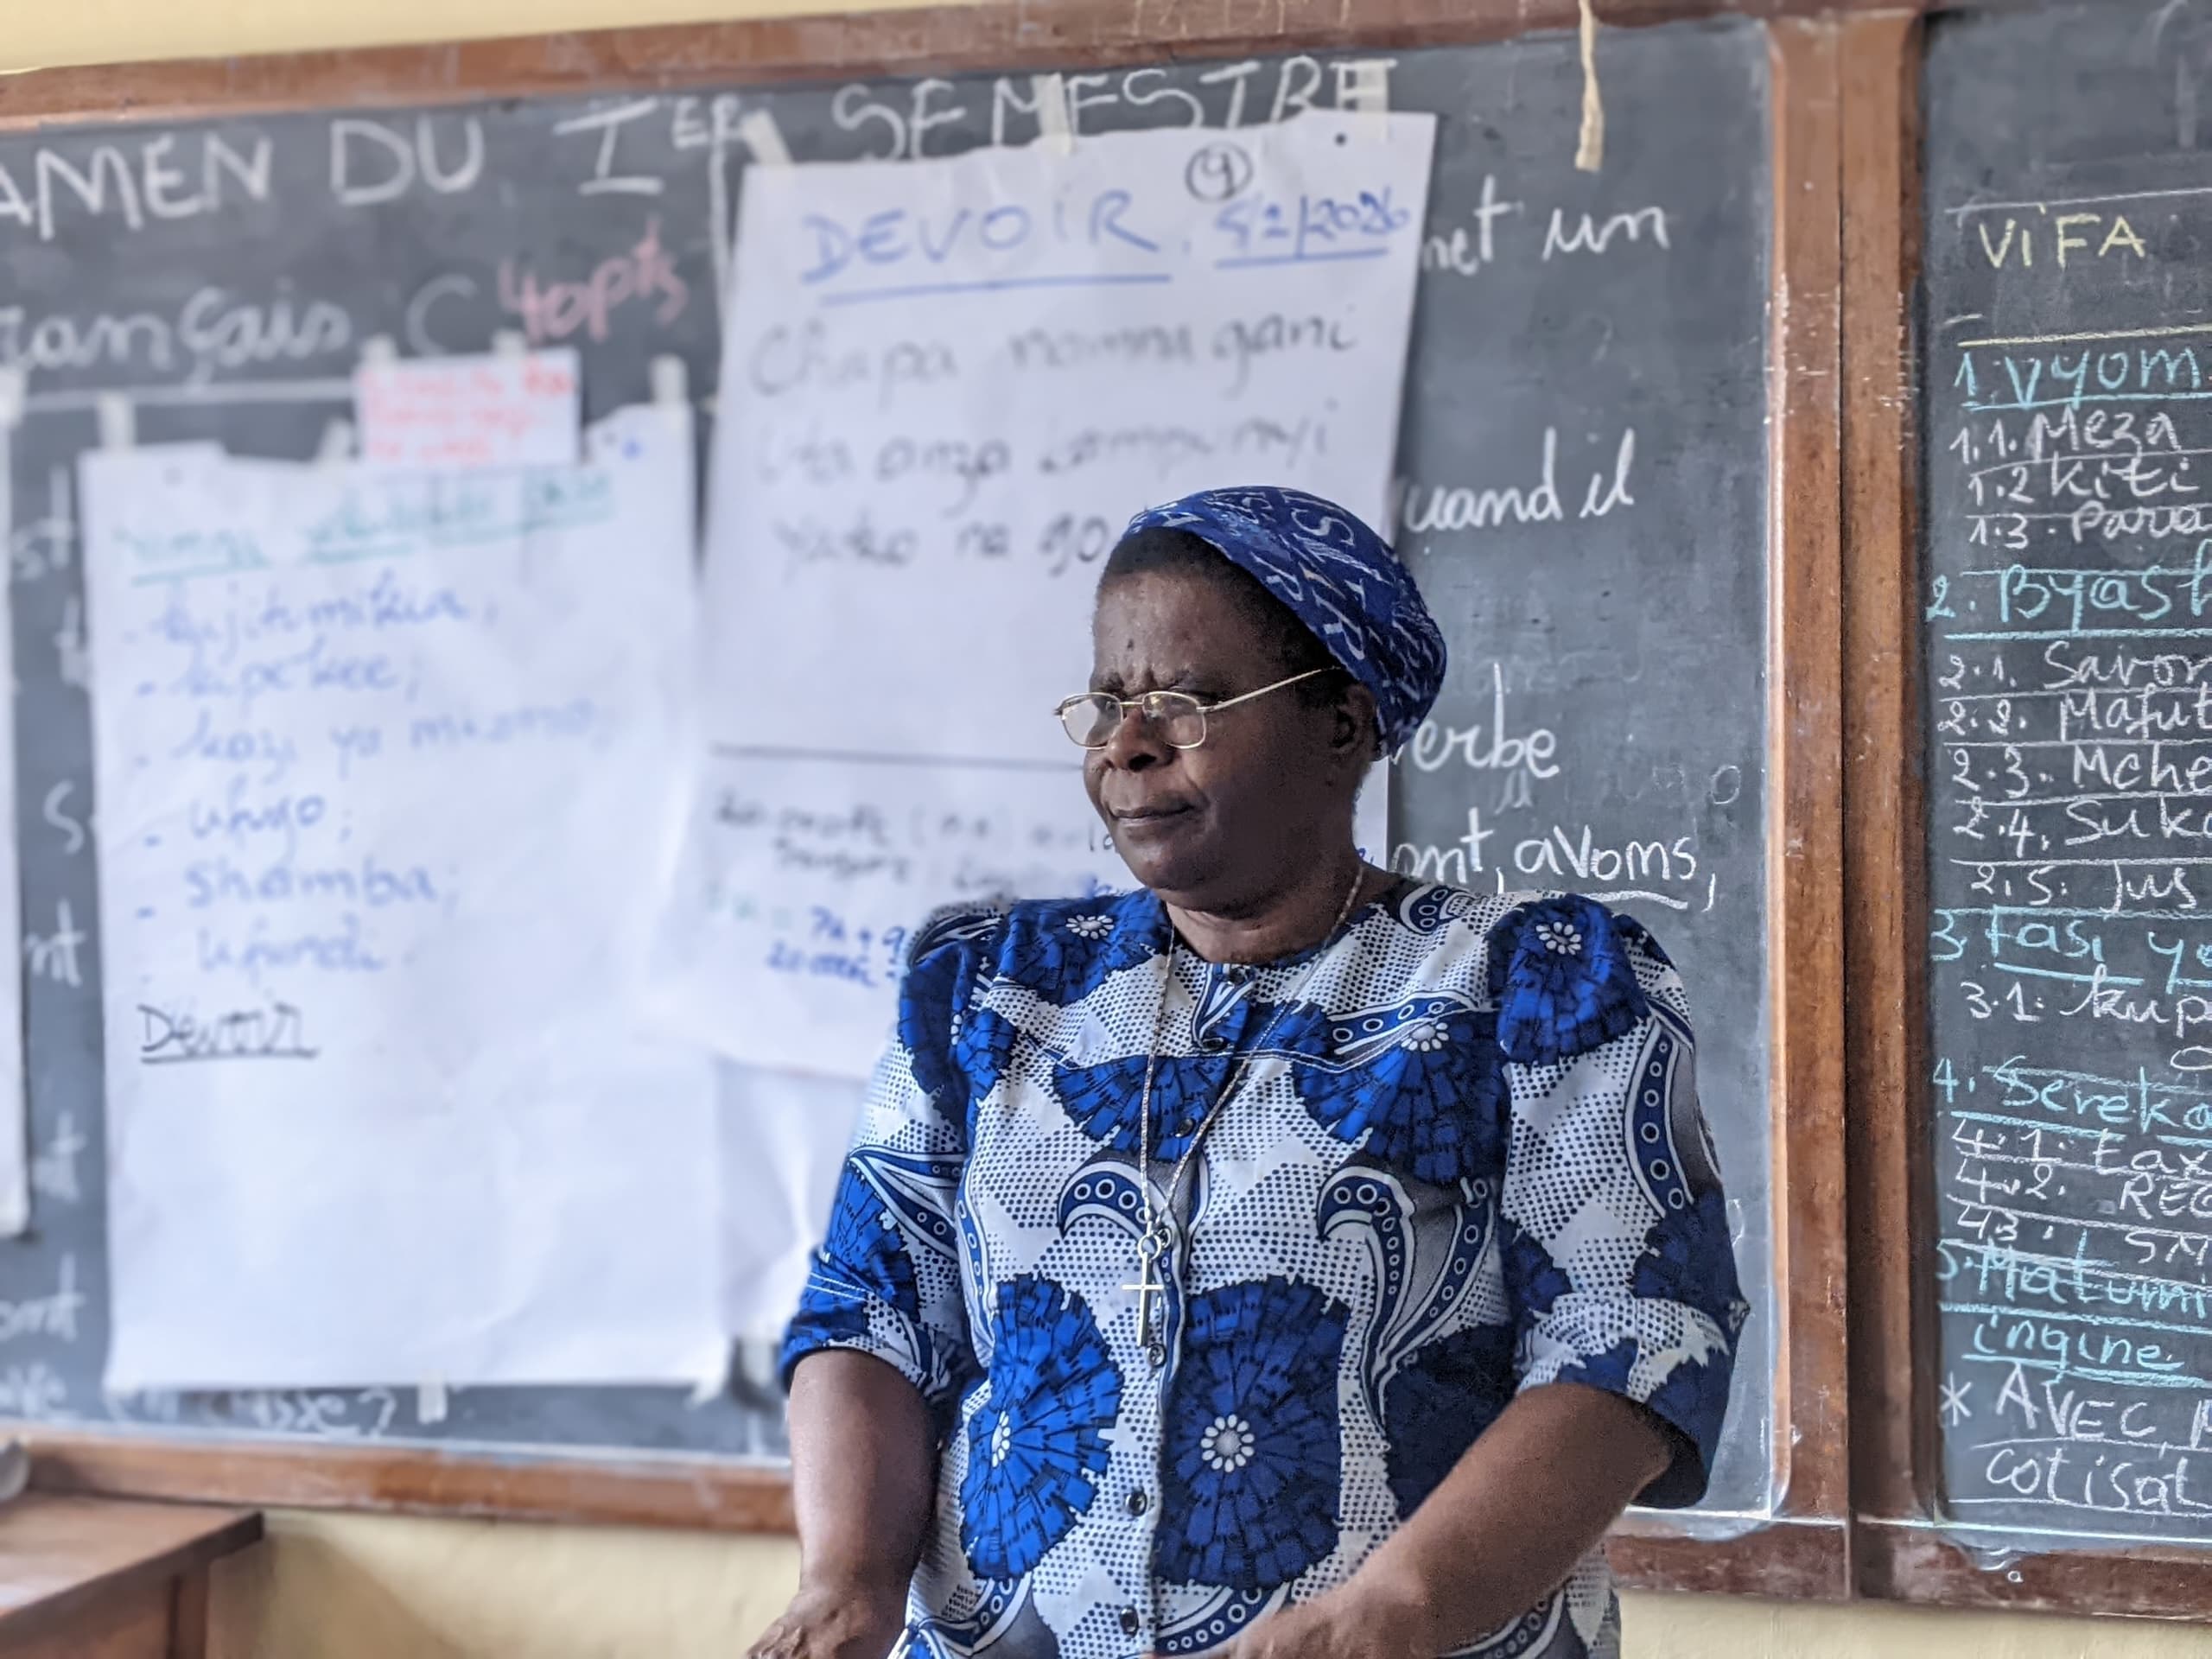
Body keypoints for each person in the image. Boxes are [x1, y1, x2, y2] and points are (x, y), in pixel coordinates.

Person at [757, 486, 1747, 1659]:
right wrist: (848, 1579)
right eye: (1108, 705)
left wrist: (1395, 1611)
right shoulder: (991, 991)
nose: (1128, 744)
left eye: (1186, 703)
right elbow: (871, 1313)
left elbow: (1631, 1334)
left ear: (1342, 725)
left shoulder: (1534, 985)